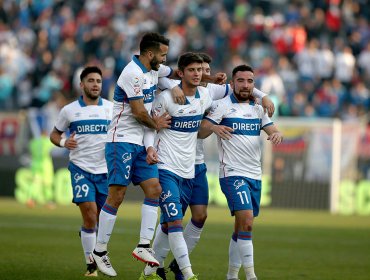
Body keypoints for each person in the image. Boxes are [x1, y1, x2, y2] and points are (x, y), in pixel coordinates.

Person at [164, 53, 275, 280]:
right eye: (197, 69)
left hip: (200, 165)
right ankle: (155, 268)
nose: (202, 74)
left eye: (205, 70)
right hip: (178, 164)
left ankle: (220, 273)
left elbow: (243, 86)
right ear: (186, 72)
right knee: (171, 220)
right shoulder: (184, 94)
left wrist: (263, 96)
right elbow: (203, 129)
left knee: (204, 217)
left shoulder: (213, 93)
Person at [91, 32, 179, 277]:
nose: (164, 59)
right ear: (150, 54)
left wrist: (210, 78)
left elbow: (175, 73)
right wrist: (157, 125)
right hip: (121, 141)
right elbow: (140, 112)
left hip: (140, 143)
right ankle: (99, 252)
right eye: (162, 54)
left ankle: (142, 246)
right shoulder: (132, 73)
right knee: (116, 196)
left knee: (154, 189)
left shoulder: (154, 69)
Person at [198, 64, 283, 280]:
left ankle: (231, 275)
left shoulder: (258, 107)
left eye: (250, 81)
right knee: (246, 220)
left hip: (254, 174)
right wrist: (215, 127)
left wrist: (276, 134)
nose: (246, 85)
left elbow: (271, 128)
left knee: (241, 227)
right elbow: (201, 132)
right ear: (232, 83)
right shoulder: (222, 105)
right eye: (241, 81)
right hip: (232, 173)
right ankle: (251, 275)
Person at [140, 52, 213, 280]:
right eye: (191, 70)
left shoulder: (205, 96)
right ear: (180, 73)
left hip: (188, 170)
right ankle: (188, 274)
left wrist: (263, 97)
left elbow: (231, 93)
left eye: (199, 70)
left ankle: (148, 272)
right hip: (164, 168)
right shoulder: (165, 98)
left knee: (170, 224)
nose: (197, 74)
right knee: (174, 221)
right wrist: (150, 149)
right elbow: (149, 127)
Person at [49, 66, 113, 277]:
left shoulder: (111, 109)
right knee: (90, 215)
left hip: (105, 172)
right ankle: (91, 265)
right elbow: (54, 135)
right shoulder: (69, 110)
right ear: (82, 85)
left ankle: (91, 240)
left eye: (98, 81)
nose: (95, 85)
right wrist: (65, 142)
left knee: (101, 221)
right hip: (80, 169)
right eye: (91, 81)